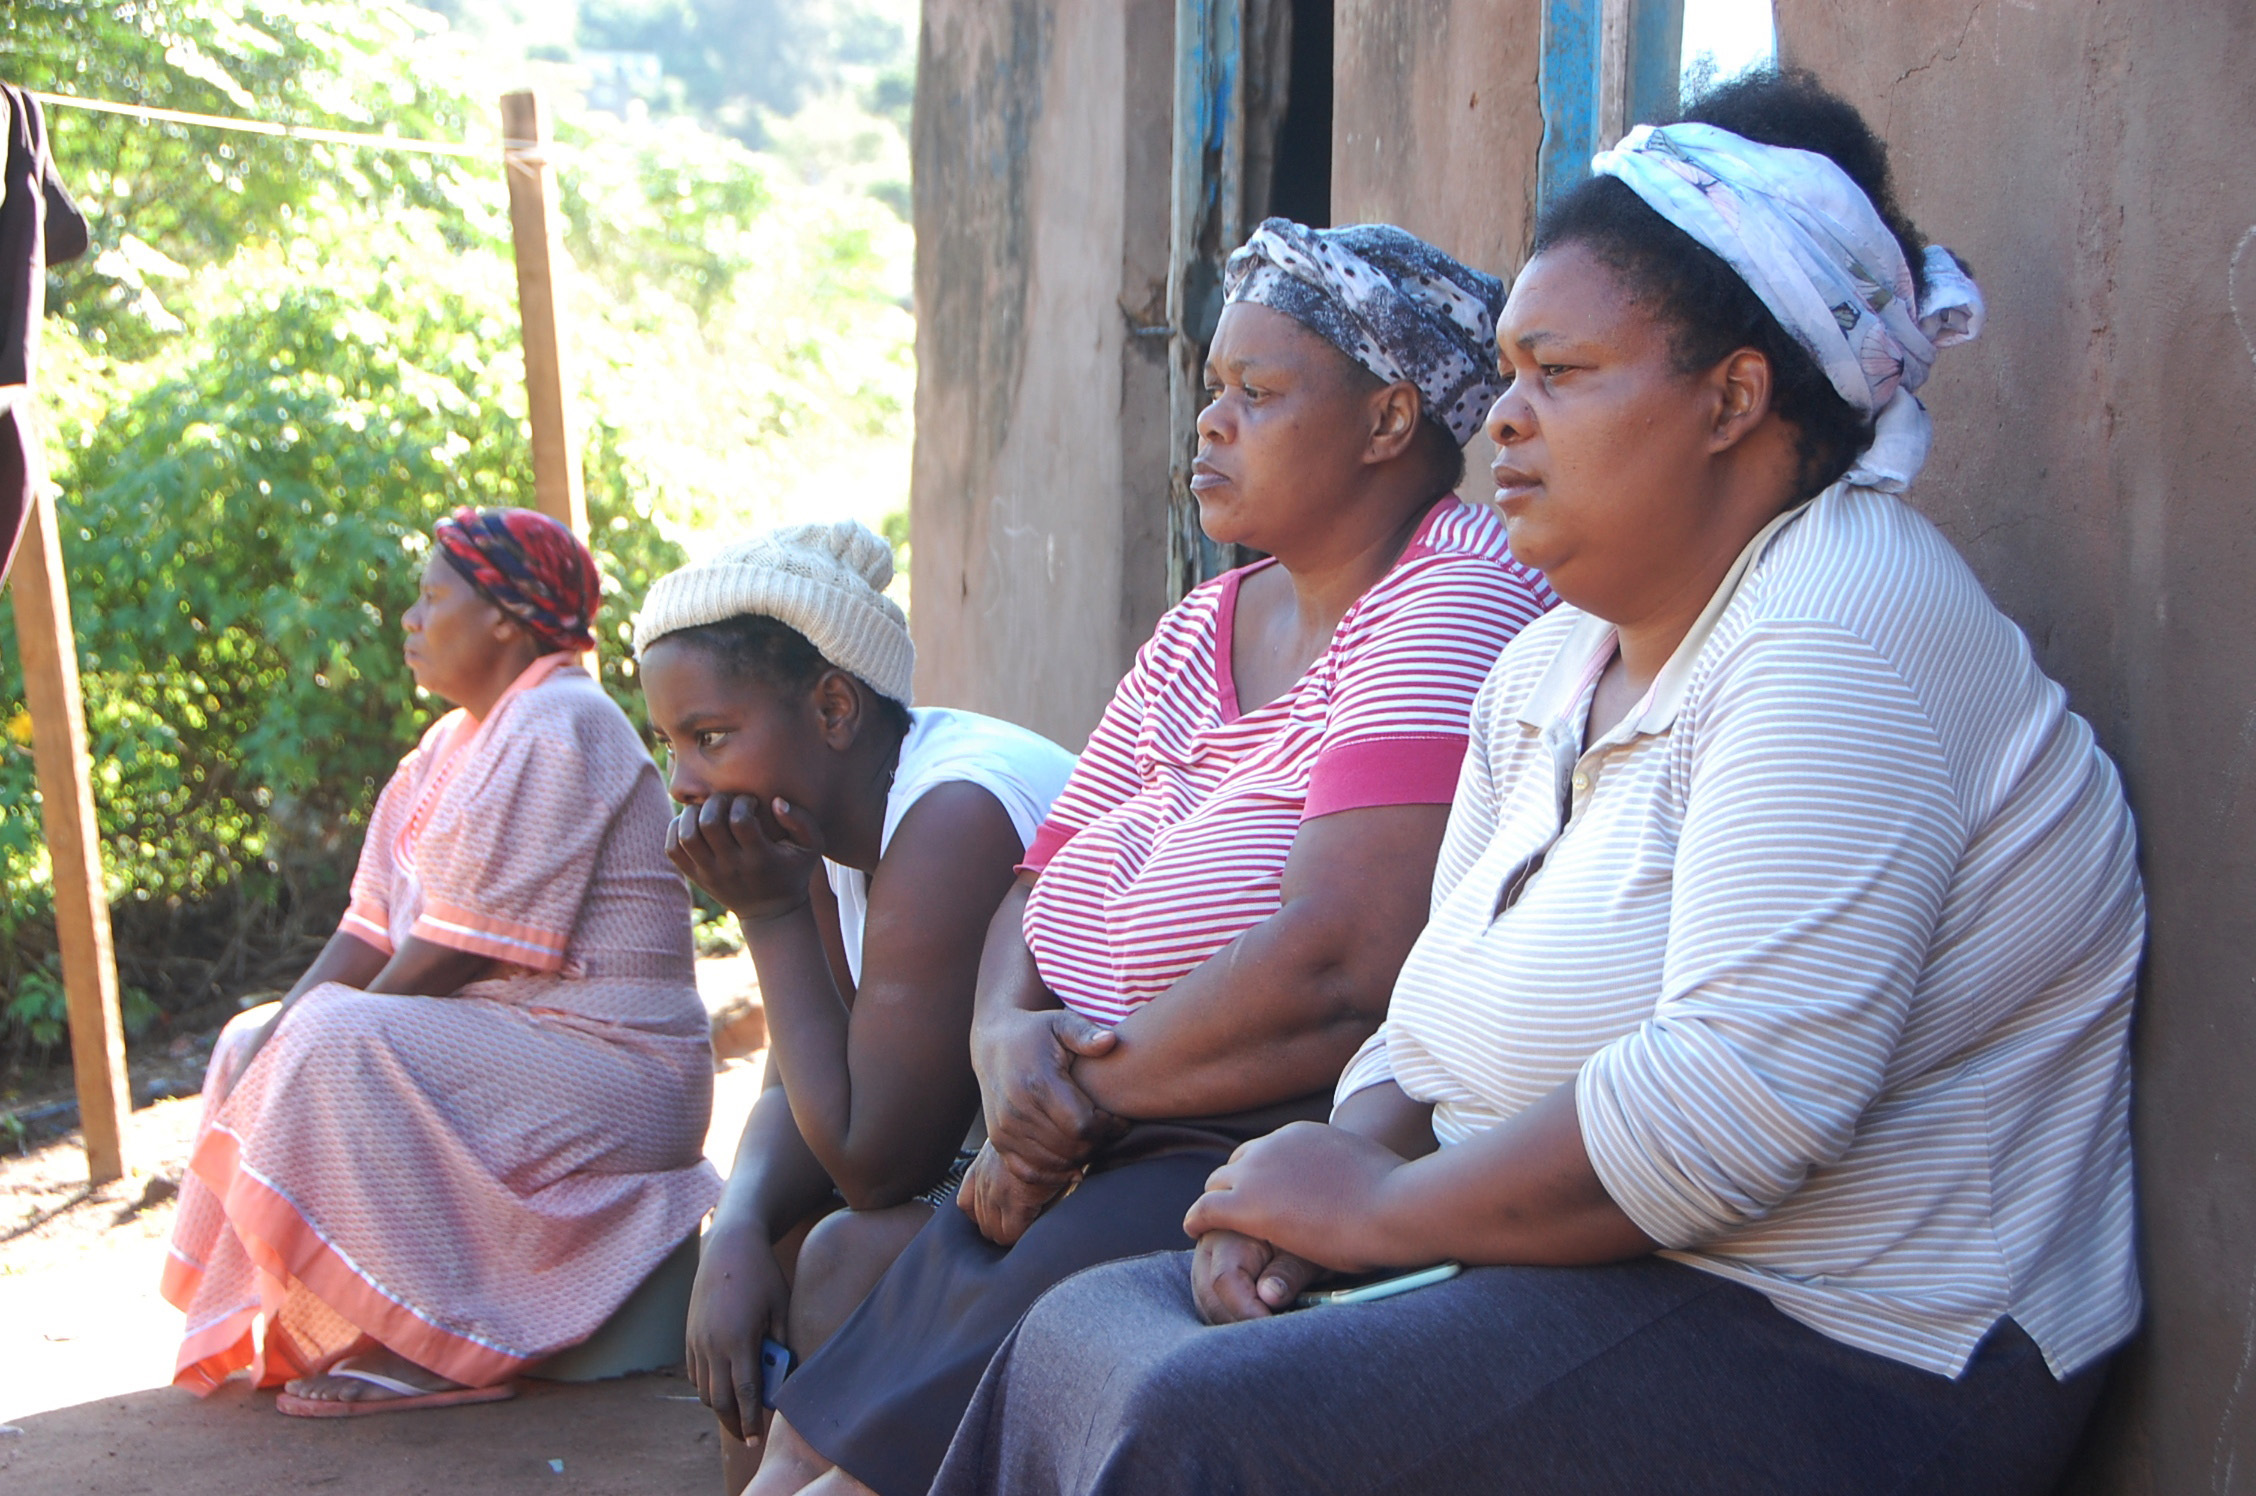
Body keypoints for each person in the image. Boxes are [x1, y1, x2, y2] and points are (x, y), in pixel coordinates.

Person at [928, 69, 2145, 1496]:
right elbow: (1423, 1021)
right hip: (1586, 1264)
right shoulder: (1549, 666)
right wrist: (1324, 1175)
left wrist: (1379, 1207)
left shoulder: (1844, 628)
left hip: (1855, 1338)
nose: (1502, 418)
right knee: (1084, 1331)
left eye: (1559, 375)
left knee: (1216, 1423)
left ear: (1732, 400)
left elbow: (1735, 1111)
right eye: (1506, 372)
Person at [749, 222, 1560, 1496]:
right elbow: (1041, 878)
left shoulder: (1452, 594)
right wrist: (1003, 1043)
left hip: (1243, 1129)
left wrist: (1063, 1109)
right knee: (809, 1442)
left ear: (1391, 418)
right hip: (1081, 1124)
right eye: (1210, 393)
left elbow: (1340, 964)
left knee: (878, 1463)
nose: (1211, 426)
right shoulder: (1205, 621)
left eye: (1258, 393)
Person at [162, 507, 721, 1416]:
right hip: (504, 1045)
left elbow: (456, 952)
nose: (409, 621)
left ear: (504, 615)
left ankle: (445, 1346)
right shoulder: (442, 750)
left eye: (430, 599)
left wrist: (322, 1050)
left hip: (619, 1070)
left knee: (327, 1042)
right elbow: (368, 933)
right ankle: (377, 1321)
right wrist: (276, 1050)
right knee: (252, 1040)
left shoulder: (559, 719)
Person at [633, 521, 1076, 1488]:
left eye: (710, 738)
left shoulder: (953, 813)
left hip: (1109, 1172)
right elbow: (805, 1071)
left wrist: (770, 916)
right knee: (772, 1243)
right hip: (995, 1163)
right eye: (669, 746)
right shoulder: (842, 817)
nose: (685, 784)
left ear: (834, 707)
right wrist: (737, 1225)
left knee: (840, 1253)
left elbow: (877, 1161)